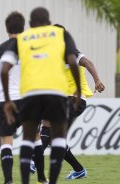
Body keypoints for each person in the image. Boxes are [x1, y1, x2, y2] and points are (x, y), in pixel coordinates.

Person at [0, 7, 81, 184]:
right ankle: (51, 181)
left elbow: (4, 69)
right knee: (58, 137)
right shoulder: (61, 34)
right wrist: (79, 90)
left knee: (28, 138)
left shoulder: (21, 39)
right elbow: (73, 61)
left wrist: (6, 100)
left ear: (30, 24)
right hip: (56, 92)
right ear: (49, 22)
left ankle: (24, 181)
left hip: (30, 93)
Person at [0, 12, 47, 184]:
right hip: (29, 100)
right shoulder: (32, 47)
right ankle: (42, 178)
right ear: (24, 27)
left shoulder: (0, 49)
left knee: (6, 141)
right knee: (35, 138)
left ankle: (8, 180)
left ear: (6, 28)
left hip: (6, 101)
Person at [40, 24, 105, 180]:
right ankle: (79, 169)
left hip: (75, 99)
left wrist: (97, 81)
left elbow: (88, 63)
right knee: (53, 138)